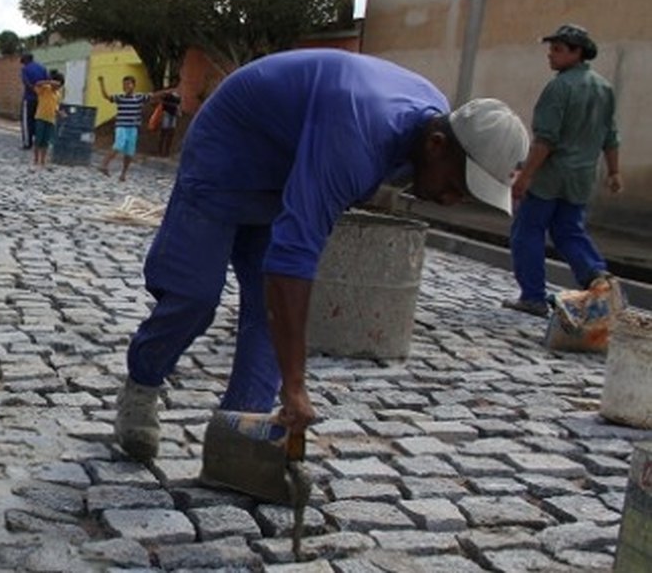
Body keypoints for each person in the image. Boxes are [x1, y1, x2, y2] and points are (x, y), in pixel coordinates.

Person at [113, 49, 530, 462]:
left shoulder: (432, 120)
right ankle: (142, 384)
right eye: (457, 186)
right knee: (194, 297)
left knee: (267, 312)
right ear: (437, 145)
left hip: (286, 172)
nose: (452, 201)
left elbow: (293, 260)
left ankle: (239, 435)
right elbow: (293, 259)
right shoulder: (360, 134)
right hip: (227, 153)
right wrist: (295, 386)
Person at [503, 24, 622, 317]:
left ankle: (532, 296)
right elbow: (610, 134)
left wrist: (525, 176)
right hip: (581, 177)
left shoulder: (560, 87)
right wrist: (614, 171)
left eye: (557, 49)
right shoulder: (604, 88)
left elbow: (546, 140)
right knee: (569, 231)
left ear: (576, 52)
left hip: (550, 176)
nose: (550, 55)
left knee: (527, 231)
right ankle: (598, 278)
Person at [97, 75, 175, 181]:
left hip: (132, 128)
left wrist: (167, 91)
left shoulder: (139, 97)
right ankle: (103, 165)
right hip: (121, 126)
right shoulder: (120, 97)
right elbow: (106, 96)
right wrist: (101, 84)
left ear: (134, 86)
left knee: (129, 152)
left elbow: (153, 95)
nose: (126, 87)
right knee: (119, 144)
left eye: (128, 84)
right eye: (124, 85)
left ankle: (123, 174)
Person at [32, 70, 65, 168]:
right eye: (56, 84)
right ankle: (36, 160)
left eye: (59, 86)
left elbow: (56, 106)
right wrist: (49, 82)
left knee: (46, 141)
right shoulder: (45, 89)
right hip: (41, 117)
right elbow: (37, 84)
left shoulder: (58, 95)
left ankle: (43, 161)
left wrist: (59, 113)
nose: (57, 87)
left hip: (51, 119)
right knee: (38, 139)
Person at [20, 53, 48, 150]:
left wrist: (33, 90)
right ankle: (39, 142)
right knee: (38, 120)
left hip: (29, 98)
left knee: (27, 121)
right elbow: (47, 81)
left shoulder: (25, 69)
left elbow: (26, 82)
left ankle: (28, 143)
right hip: (41, 99)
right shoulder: (42, 68)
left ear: (26, 60)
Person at [157, 85, 182, 157]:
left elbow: (178, 106)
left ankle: (166, 151)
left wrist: (179, 111)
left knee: (170, 132)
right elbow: (163, 103)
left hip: (173, 115)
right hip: (167, 114)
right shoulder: (168, 95)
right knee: (164, 131)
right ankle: (161, 150)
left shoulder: (178, 97)